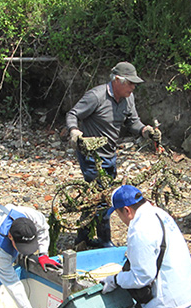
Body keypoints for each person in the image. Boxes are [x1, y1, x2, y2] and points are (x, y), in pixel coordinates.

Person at [66, 62, 160, 247]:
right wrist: (74, 131)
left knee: (96, 197)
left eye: (134, 84)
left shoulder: (128, 98)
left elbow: (133, 122)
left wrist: (145, 130)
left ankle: (82, 238)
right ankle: (103, 240)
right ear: (117, 80)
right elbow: (73, 114)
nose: (133, 88)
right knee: (103, 197)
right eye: (130, 83)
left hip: (110, 154)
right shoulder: (96, 96)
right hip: (91, 155)